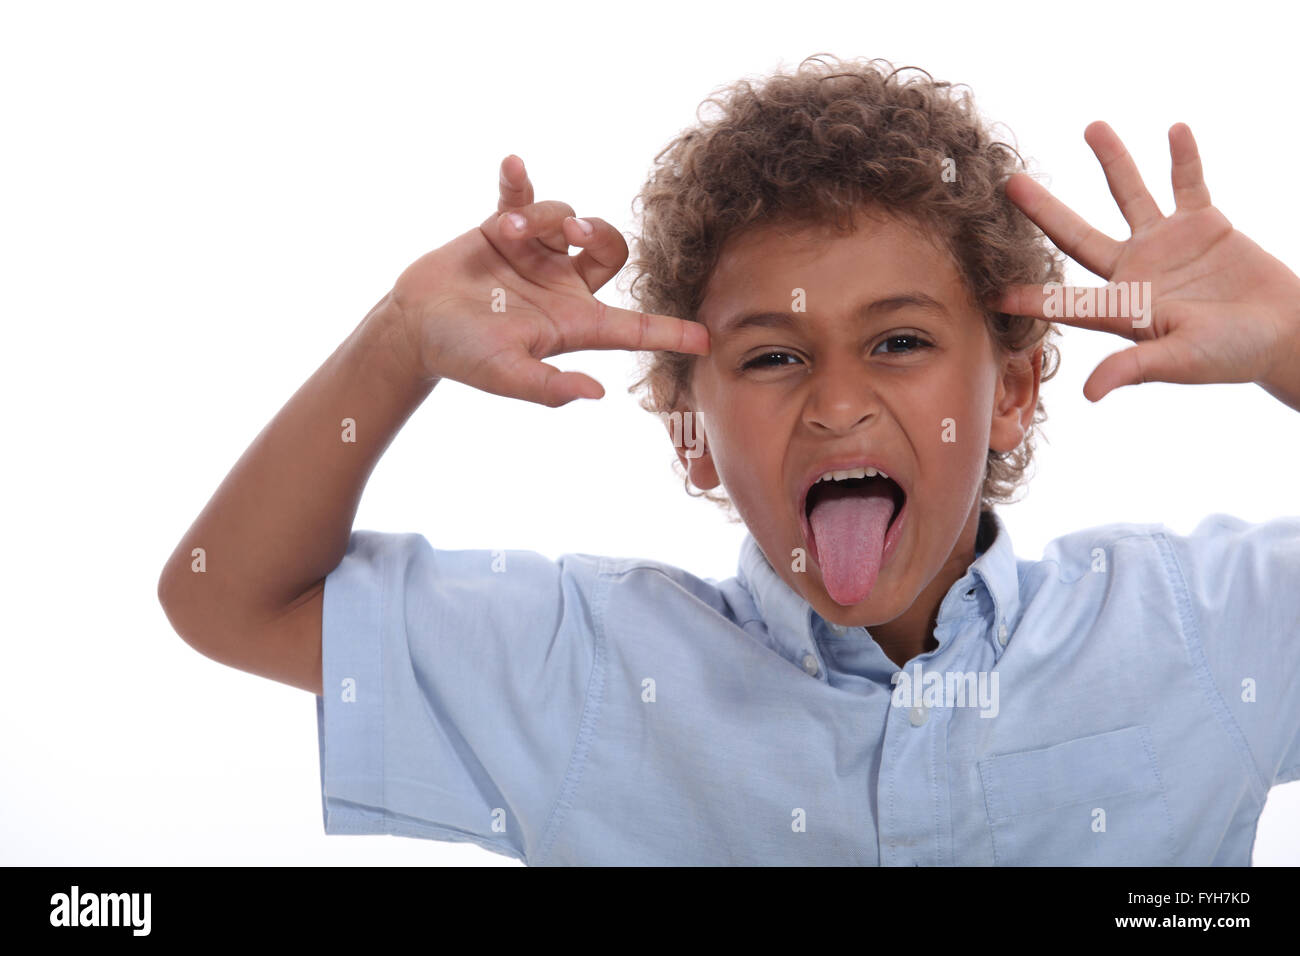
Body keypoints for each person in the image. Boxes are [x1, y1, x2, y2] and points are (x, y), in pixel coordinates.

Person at [157, 54, 1300, 865]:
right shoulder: (585, 670)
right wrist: (399, 341)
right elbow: (226, 598)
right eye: (770, 357)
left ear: (1008, 390)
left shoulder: (1187, 625)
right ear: (689, 433)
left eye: (899, 341)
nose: (837, 402)